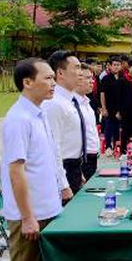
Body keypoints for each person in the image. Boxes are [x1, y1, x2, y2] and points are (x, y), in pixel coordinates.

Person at [1, 58, 63, 261]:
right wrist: (27, 217)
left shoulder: (40, 113)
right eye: (48, 78)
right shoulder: (18, 119)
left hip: (47, 208)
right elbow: (16, 172)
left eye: (53, 78)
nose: (53, 83)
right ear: (27, 82)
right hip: (30, 215)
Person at [43, 50, 85, 196]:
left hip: (74, 166)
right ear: (60, 73)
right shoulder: (54, 103)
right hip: (62, 170)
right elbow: (52, 147)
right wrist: (63, 184)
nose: (81, 73)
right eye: (77, 68)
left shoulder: (69, 100)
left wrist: (78, 171)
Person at [75, 63, 100, 182]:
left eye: (92, 78)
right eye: (88, 78)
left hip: (92, 156)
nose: (92, 81)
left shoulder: (86, 103)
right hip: (81, 159)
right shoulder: (72, 104)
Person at [99, 57, 122, 155]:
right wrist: (103, 108)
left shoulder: (122, 78)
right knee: (109, 127)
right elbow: (102, 94)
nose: (116, 67)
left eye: (118, 65)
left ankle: (117, 147)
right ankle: (108, 146)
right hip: (109, 108)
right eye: (114, 65)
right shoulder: (106, 78)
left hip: (120, 108)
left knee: (118, 128)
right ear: (110, 66)